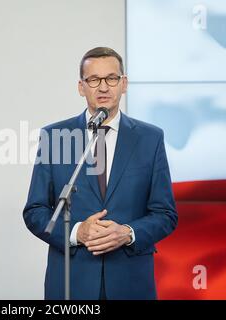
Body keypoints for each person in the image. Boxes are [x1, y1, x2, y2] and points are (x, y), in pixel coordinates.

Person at [23, 47, 178, 300]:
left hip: (131, 284)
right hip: (72, 285)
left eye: (112, 78)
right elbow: (35, 210)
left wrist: (127, 232)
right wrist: (76, 233)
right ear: (81, 87)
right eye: (94, 80)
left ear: (123, 83)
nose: (103, 87)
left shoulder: (150, 138)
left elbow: (165, 213)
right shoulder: (54, 138)